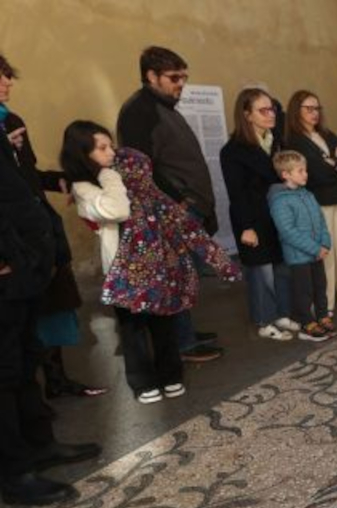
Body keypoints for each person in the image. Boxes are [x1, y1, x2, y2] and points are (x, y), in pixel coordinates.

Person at [67, 127, 238, 405]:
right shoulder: (85, 187)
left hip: (158, 265)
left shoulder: (142, 188)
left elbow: (182, 223)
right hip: (123, 270)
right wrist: (110, 176)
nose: (112, 152)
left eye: (111, 146)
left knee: (163, 322)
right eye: (102, 148)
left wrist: (219, 261)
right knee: (133, 328)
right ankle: (143, 381)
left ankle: (171, 375)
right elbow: (116, 210)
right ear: (82, 154)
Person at [2, 114, 101, 506]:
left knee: (26, 360)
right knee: (3, 373)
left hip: (25, 266)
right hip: (8, 265)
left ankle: (39, 444)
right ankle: (12, 472)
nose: (6, 81)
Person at [1, 54, 105, 398]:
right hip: (14, 241)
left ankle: (57, 380)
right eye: (1, 76)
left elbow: (26, 176)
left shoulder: (13, 121)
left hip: (39, 231)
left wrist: (62, 180)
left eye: (7, 75)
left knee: (54, 305)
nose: (8, 82)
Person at [116, 46, 222, 363]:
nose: (181, 84)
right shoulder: (139, 111)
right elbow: (138, 166)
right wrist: (178, 201)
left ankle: (185, 331)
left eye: (183, 77)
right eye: (174, 77)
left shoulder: (165, 108)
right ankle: (183, 343)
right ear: (151, 76)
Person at [220, 88, 298, 342]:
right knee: (261, 272)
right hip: (253, 218)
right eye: (262, 110)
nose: (270, 114)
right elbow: (237, 193)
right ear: (247, 115)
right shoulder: (233, 150)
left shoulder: (277, 142)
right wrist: (246, 227)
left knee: (282, 268)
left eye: (272, 108)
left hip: (278, 215)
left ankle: (283, 313)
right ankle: (265, 320)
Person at [283, 90, 337, 304]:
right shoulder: (295, 140)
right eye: (309, 109)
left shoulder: (326, 133)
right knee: (325, 251)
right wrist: (336, 164)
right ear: (297, 111)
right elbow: (316, 173)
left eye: (317, 108)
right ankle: (326, 301)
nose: (315, 113)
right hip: (317, 201)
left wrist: (335, 164)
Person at [269, 151, 333, 343]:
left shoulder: (308, 195)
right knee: (303, 291)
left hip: (316, 252)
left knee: (320, 286)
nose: (305, 174)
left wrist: (324, 243)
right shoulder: (280, 201)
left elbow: (321, 221)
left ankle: (322, 315)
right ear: (285, 174)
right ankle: (306, 322)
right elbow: (288, 232)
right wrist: (315, 248)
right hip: (298, 256)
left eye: (305, 170)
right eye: (300, 171)